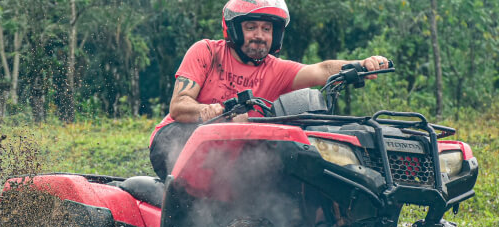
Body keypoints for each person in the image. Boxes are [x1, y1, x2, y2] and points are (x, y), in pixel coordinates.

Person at [148, 0, 389, 178]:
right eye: (251, 27)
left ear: (276, 35)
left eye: (266, 29)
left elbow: (322, 69)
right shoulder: (208, 52)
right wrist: (220, 114)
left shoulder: (276, 70)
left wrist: (361, 65)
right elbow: (179, 106)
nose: (259, 36)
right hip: (176, 140)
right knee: (232, 136)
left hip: (238, 157)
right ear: (234, 29)